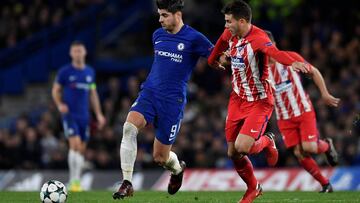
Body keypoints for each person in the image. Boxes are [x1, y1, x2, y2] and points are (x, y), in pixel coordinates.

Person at [207, 1, 310, 202]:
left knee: (243, 147)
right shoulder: (229, 34)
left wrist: (293, 61)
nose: (226, 26)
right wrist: (215, 62)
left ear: (242, 21)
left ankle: (268, 141)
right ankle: (253, 187)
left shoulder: (259, 38)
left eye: (229, 22)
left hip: (260, 100)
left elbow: (276, 54)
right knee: (233, 152)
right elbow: (215, 53)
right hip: (237, 99)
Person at [112, 0, 214, 200]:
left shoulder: (195, 38)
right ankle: (127, 182)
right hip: (149, 93)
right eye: (159, 15)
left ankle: (177, 170)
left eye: (164, 15)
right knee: (129, 127)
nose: (160, 20)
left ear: (178, 15)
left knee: (160, 157)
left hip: (172, 102)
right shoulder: (157, 35)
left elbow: (215, 56)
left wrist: (223, 60)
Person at [265, 30, 340, 193]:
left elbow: (314, 72)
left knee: (309, 148)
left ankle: (326, 145)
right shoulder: (261, 70)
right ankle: (326, 184)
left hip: (302, 110)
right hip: (284, 118)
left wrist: (325, 94)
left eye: (269, 45)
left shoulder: (289, 57)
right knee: (299, 153)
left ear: (274, 44)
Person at [52, 41, 106, 192]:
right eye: (74, 51)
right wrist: (59, 104)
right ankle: (73, 180)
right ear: (71, 54)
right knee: (74, 145)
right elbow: (55, 90)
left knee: (81, 149)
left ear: (84, 52)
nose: (77, 53)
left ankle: (76, 181)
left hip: (85, 116)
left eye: (79, 51)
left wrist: (99, 114)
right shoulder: (65, 72)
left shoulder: (90, 72)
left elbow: (93, 93)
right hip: (70, 115)